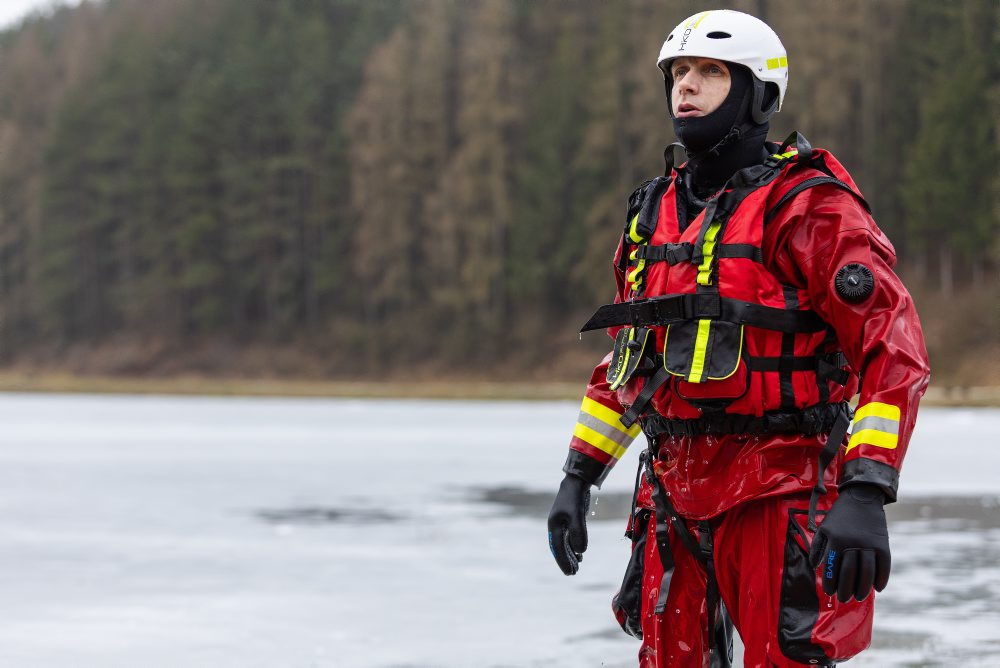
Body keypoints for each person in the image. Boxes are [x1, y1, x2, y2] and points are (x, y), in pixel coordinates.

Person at [546, 9, 930, 668]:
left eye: (710, 72)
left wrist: (867, 490)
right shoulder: (650, 214)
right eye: (679, 72)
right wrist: (579, 477)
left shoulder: (809, 208)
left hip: (780, 486)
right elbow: (632, 364)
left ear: (756, 94)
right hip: (672, 492)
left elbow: (890, 350)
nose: (686, 87)